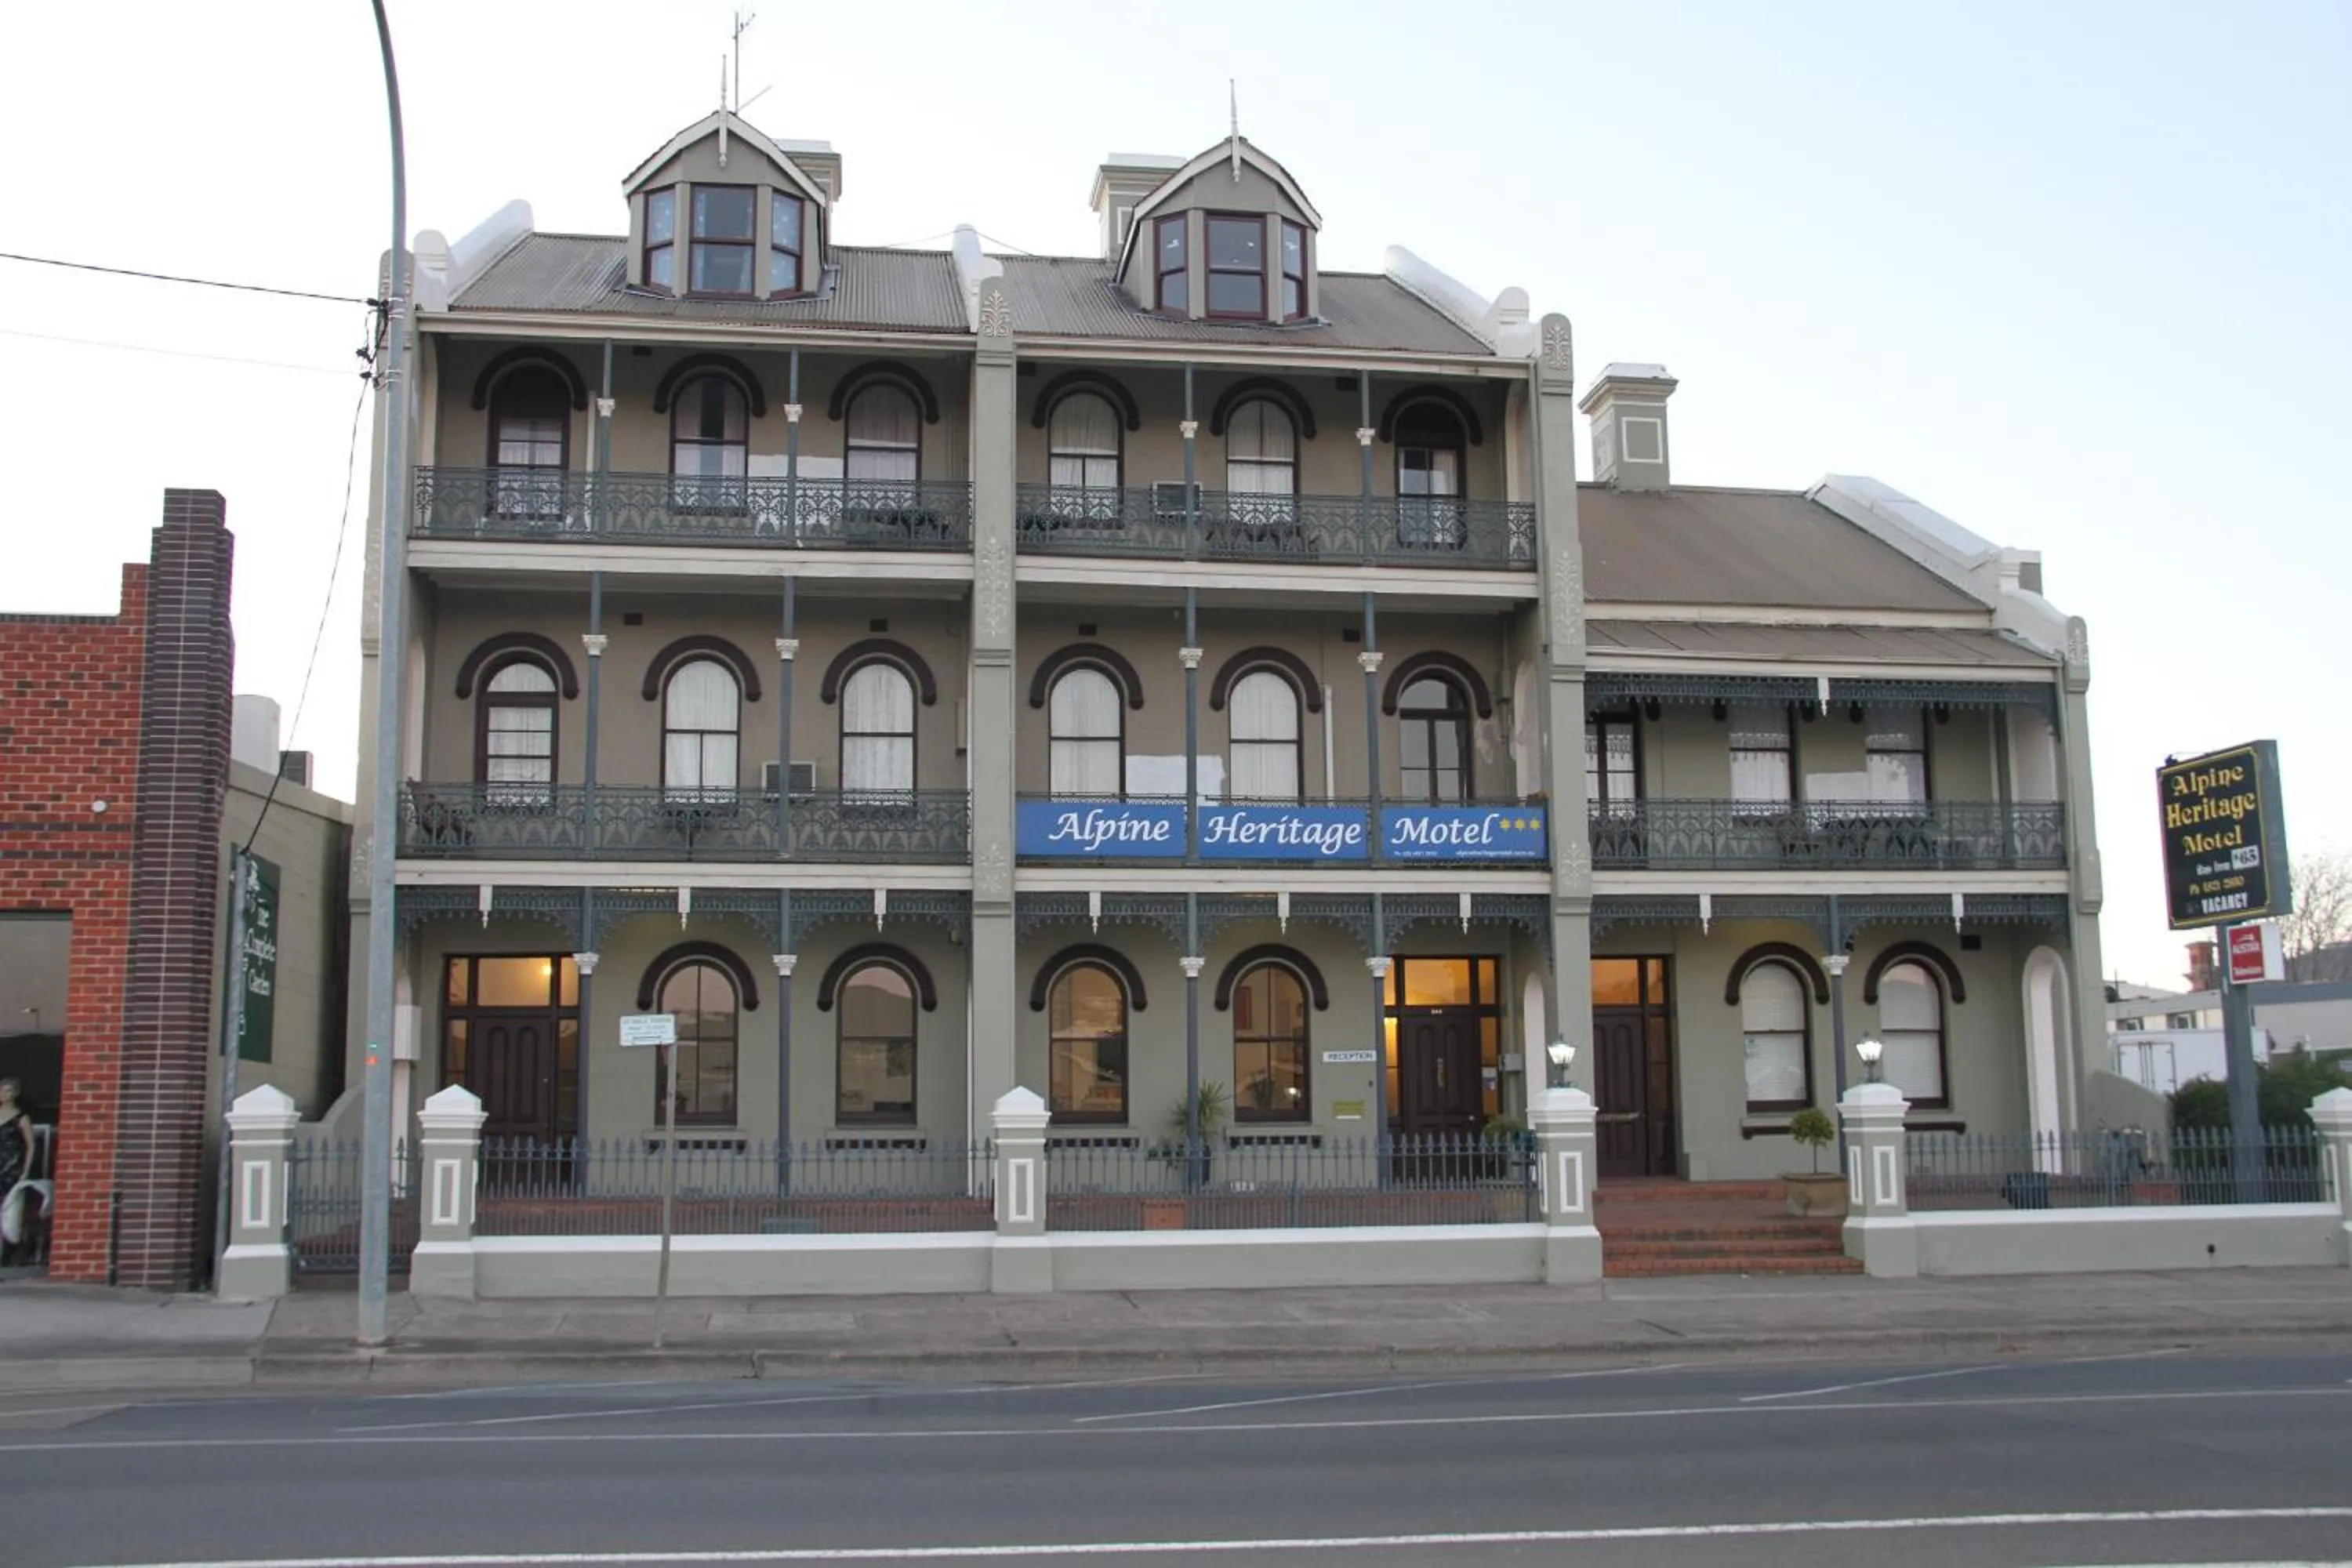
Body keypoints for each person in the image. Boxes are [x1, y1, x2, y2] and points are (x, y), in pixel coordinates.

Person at [0, 1078, 41, 1264]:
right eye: (2, 1090)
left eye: (9, 1091)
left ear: (15, 1093)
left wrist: (25, 1170)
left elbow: (31, 1145)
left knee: (9, 1210)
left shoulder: (21, 1117)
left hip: (12, 1167)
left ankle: (8, 1252)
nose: (5, 1094)